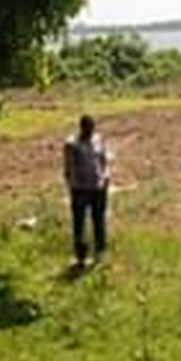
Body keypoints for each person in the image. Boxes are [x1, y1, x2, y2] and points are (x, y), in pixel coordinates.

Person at [63, 114, 110, 269]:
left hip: (98, 188)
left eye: (92, 128)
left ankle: (100, 254)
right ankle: (81, 258)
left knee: (99, 221)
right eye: (88, 128)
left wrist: (106, 178)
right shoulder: (72, 144)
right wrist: (72, 186)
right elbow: (68, 168)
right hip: (80, 190)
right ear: (81, 128)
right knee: (80, 224)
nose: (90, 131)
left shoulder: (98, 140)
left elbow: (103, 160)